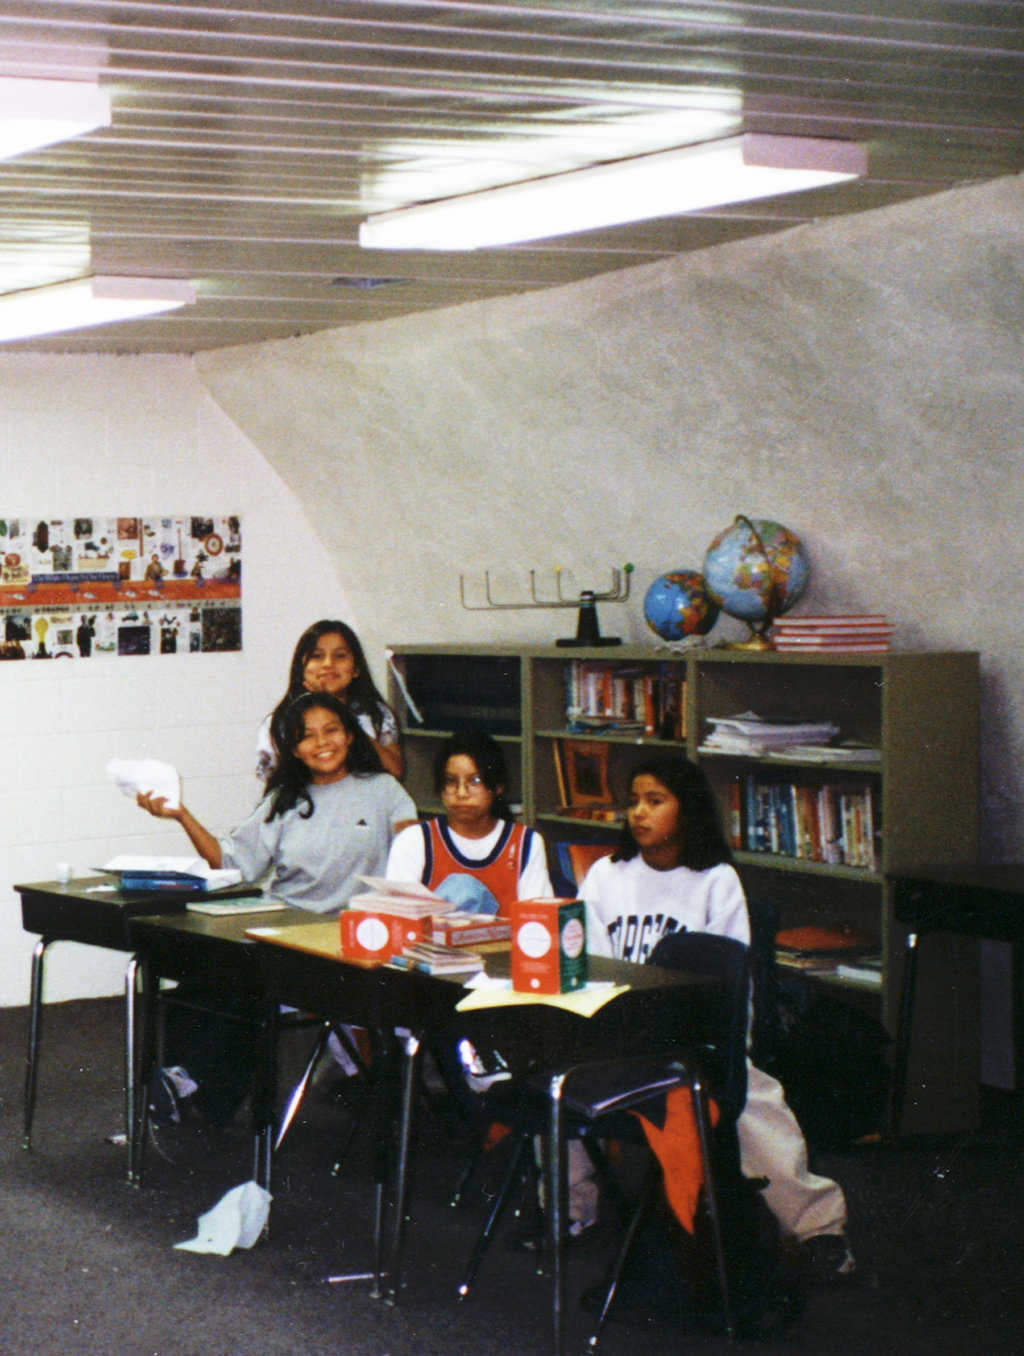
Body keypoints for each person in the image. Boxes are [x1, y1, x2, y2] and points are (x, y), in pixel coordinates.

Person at [579, 756, 856, 1284]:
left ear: (688, 811)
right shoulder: (605, 875)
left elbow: (733, 984)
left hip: (698, 1037)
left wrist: (724, 1043)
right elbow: (590, 966)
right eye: (633, 800)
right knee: (562, 1080)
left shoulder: (716, 880)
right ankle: (570, 1210)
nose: (639, 813)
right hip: (621, 1035)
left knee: (755, 1101)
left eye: (655, 801)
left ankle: (820, 1229)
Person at [135, 691, 417, 1121]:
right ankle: (193, 1091)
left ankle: (186, 1085)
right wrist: (181, 815)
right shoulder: (284, 798)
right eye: (307, 737)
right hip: (282, 933)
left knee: (247, 990)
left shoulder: (384, 790)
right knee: (197, 986)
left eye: (332, 730)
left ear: (349, 734)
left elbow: (415, 856)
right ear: (292, 749)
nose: (322, 743)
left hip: (345, 946)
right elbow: (232, 864)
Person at [386, 732, 550, 912]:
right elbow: (399, 920)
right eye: (450, 781)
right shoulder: (414, 841)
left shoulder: (526, 844)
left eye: (475, 781)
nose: (462, 793)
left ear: (497, 787)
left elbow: (538, 919)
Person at [257, 619, 403, 783]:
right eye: (317, 656)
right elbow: (275, 786)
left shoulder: (377, 713)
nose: (328, 664)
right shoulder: (279, 722)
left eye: (340, 656)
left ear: (356, 669)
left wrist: (342, 714)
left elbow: (394, 772)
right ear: (301, 667)